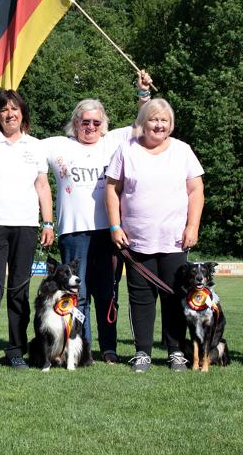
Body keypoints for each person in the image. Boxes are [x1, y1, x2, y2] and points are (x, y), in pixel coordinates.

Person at [43, 72, 153, 364]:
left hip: (108, 232)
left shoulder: (113, 141)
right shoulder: (57, 145)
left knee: (106, 294)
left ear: (103, 125)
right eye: (84, 121)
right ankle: (82, 347)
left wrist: (143, 94)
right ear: (75, 123)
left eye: (95, 122)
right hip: (73, 232)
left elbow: (145, 124)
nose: (89, 127)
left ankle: (109, 349)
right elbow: (24, 149)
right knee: (76, 296)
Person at [105, 98, 204, 372]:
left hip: (174, 239)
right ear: (142, 123)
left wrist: (192, 226)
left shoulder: (183, 151)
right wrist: (115, 226)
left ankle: (176, 353)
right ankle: (143, 353)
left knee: (174, 299)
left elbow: (196, 190)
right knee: (141, 299)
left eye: (164, 120)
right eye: (153, 119)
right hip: (135, 240)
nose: (159, 125)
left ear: (170, 125)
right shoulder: (126, 150)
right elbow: (112, 190)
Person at [0, 90, 54, 372]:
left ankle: (16, 351)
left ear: (23, 114)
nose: (10, 114)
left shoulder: (36, 146)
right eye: (4, 109)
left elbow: (42, 186)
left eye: (15, 109)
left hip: (27, 226)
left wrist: (48, 222)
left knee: (19, 292)